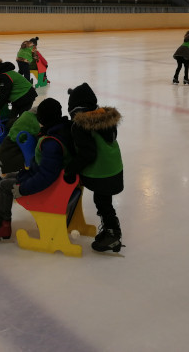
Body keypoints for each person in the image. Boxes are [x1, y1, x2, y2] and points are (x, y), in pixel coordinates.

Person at [0, 98, 73, 241]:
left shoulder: (51, 143)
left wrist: (22, 188)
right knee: (9, 176)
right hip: (48, 177)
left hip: (51, 186)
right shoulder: (56, 131)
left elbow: (46, 175)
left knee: (5, 186)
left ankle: (3, 225)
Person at [64, 83, 125, 252]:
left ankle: (113, 235)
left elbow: (87, 154)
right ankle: (109, 230)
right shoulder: (104, 118)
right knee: (103, 201)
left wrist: (71, 169)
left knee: (103, 203)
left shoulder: (81, 126)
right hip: (114, 168)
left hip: (101, 172)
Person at [0, 57, 38, 128]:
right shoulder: (5, 73)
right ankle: (11, 130)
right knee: (12, 118)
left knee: (23, 118)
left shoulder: (4, 76)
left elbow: (4, 93)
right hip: (19, 98)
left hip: (26, 97)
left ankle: (25, 132)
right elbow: (7, 92)